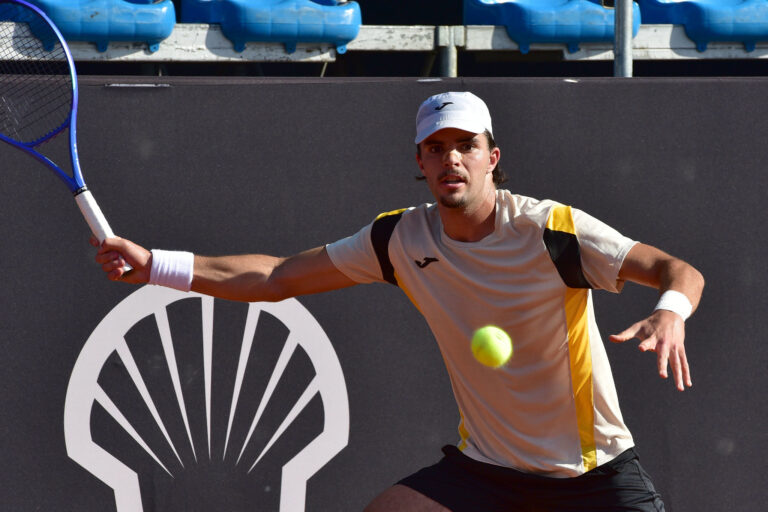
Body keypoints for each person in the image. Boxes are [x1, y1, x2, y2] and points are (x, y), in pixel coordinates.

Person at [93, 91, 704, 512]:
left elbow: (679, 270)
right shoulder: (400, 238)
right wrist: (156, 268)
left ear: (493, 157)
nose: (452, 159)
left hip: (591, 474)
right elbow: (277, 277)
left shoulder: (551, 231)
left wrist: (671, 308)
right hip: (487, 471)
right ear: (420, 162)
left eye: (466, 145)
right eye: (436, 148)